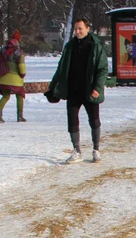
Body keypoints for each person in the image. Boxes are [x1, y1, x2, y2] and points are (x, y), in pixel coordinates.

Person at [47, 17, 111, 163]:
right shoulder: (70, 46)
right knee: (72, 120)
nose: (77, 31)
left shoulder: (95, 46)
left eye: (80, 28)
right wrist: (53, 86)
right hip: (73, 90)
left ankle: (96, 149)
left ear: (88, 29)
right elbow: (61, 68)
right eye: (76, 29)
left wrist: (97, 87)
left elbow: (102, 69)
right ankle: (76, 150)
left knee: (94, 120)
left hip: (90, 90)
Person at [0, 30, 27, 123]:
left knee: (6, 96)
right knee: (20, 95)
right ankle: (20, 116)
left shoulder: (3, 50)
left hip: (3, 77)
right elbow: (21, 65)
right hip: (16, 79)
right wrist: (23, 74)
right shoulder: (19, 51)